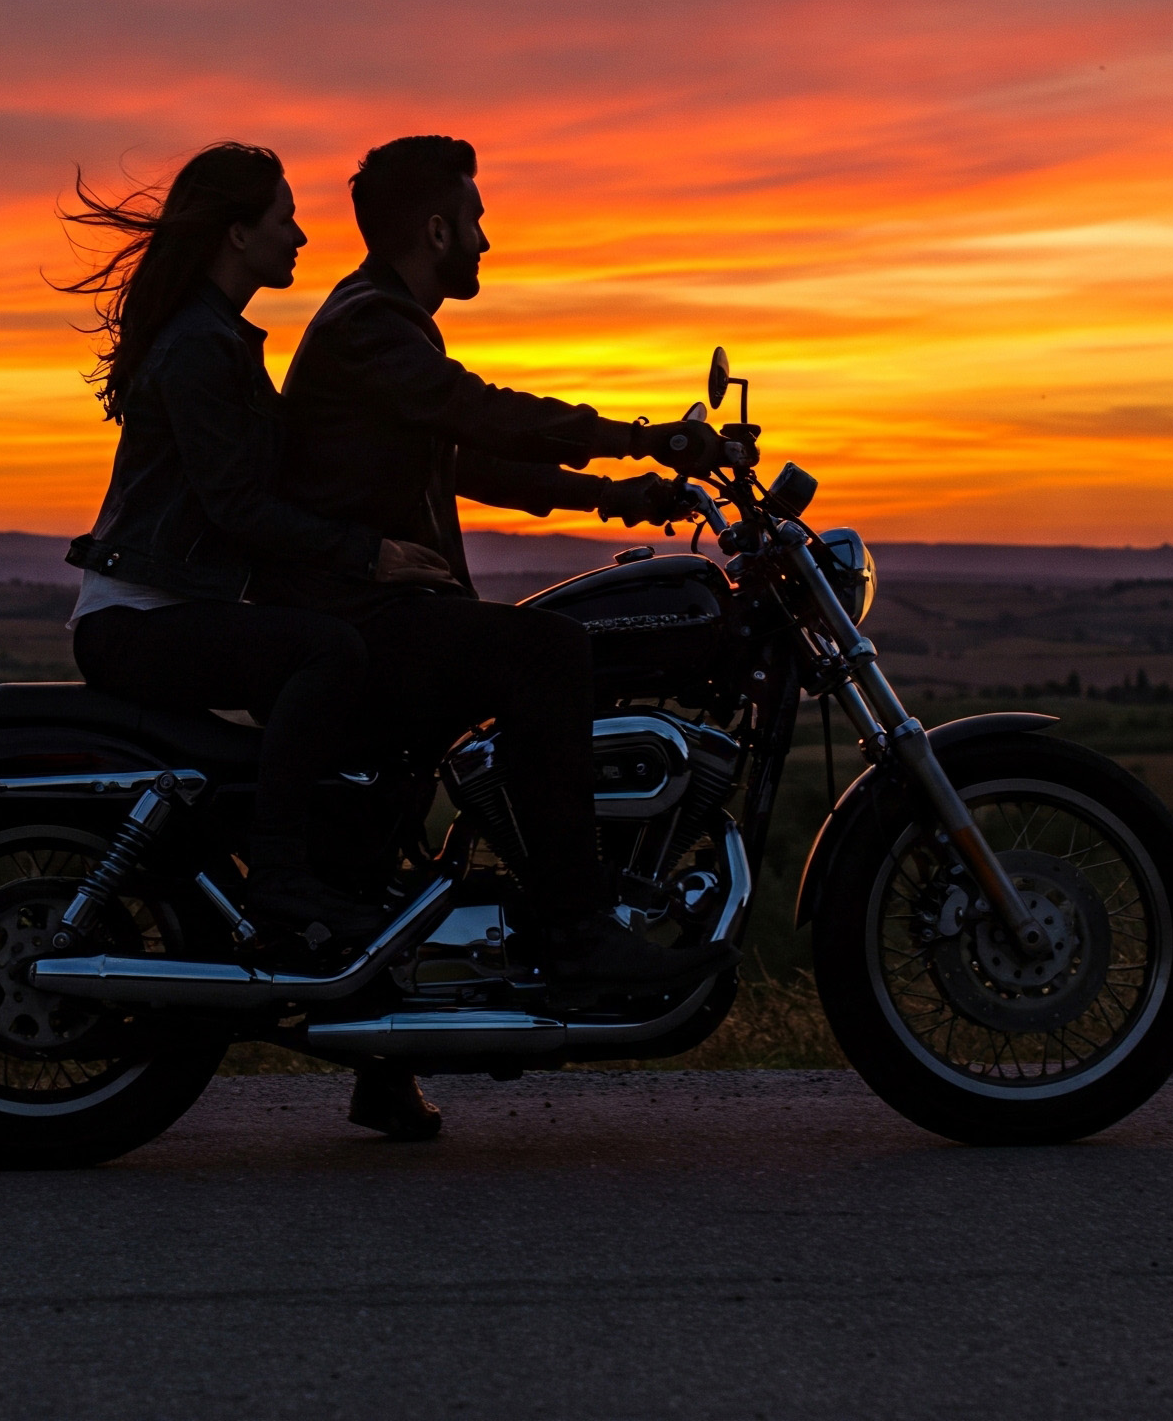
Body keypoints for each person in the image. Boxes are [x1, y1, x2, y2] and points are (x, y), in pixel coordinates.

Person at [270, 134, 733, 995]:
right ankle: (576, 931)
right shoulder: (373, 324)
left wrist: (624, 496)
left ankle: (392, 1048)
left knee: (394, 833)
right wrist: (641, 436)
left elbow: (469, 462)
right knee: (548, 651)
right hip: (356, 616)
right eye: (477, 221)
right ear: (438, 231)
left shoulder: (374, 323)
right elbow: (478, 414)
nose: (487, 241)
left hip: (363, 611)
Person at [57, 143, 456, 964]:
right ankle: (279, 875)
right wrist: (367, 555)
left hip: (172, 609)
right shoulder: (200, 347)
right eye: (285, 218)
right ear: (237, 235)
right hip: (140, 622)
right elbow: (236, 505)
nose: (303, 236)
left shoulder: (219, 339)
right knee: (327, 651)